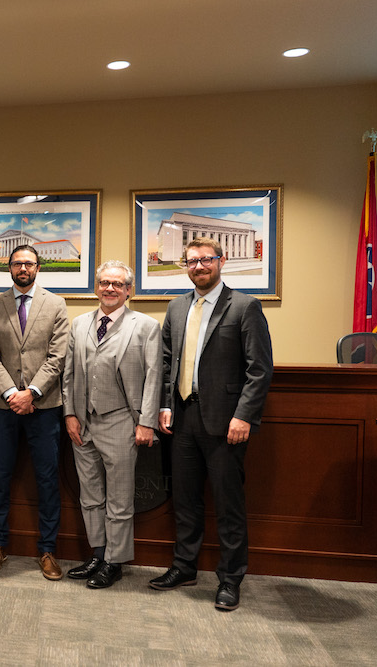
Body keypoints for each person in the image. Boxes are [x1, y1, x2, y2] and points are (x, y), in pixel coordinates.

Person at [149, 237, 273, 612]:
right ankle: (185, 567)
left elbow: (260, 370)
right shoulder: (175, 307)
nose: (199, 267)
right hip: (183, 418)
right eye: (191, 261)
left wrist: (244, 415)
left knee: (228, 504)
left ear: (221, 261)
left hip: (226, 422)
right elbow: (168, 363)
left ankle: (230, 578)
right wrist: (166, 406)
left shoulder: (245, 307)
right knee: (185, 501)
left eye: (205, 260)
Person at [62, 260, 162, 589]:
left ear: (128, 290)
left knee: (119, 499)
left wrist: (146, 423)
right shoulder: (78, 325)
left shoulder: (145, 327)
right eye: (104, 282)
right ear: (96, 287)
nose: (110, 288)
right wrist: (70, 414)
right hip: (83, 424)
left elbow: (153, 379)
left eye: (117, 284)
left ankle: (114, 562)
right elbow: (69, 374)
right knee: (90, 496)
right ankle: (98, 552)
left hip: (121, 421)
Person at [0, 244, 70, 580]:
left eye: (28, 263)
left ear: (38, 267)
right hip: (3, 407)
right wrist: (11, 394)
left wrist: (31, 393)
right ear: (9, 267)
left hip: (44, 407)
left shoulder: (56, 304)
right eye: (17, 263)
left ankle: (47, 550)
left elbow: (58, 357)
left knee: (47, 480)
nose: (22, 268)